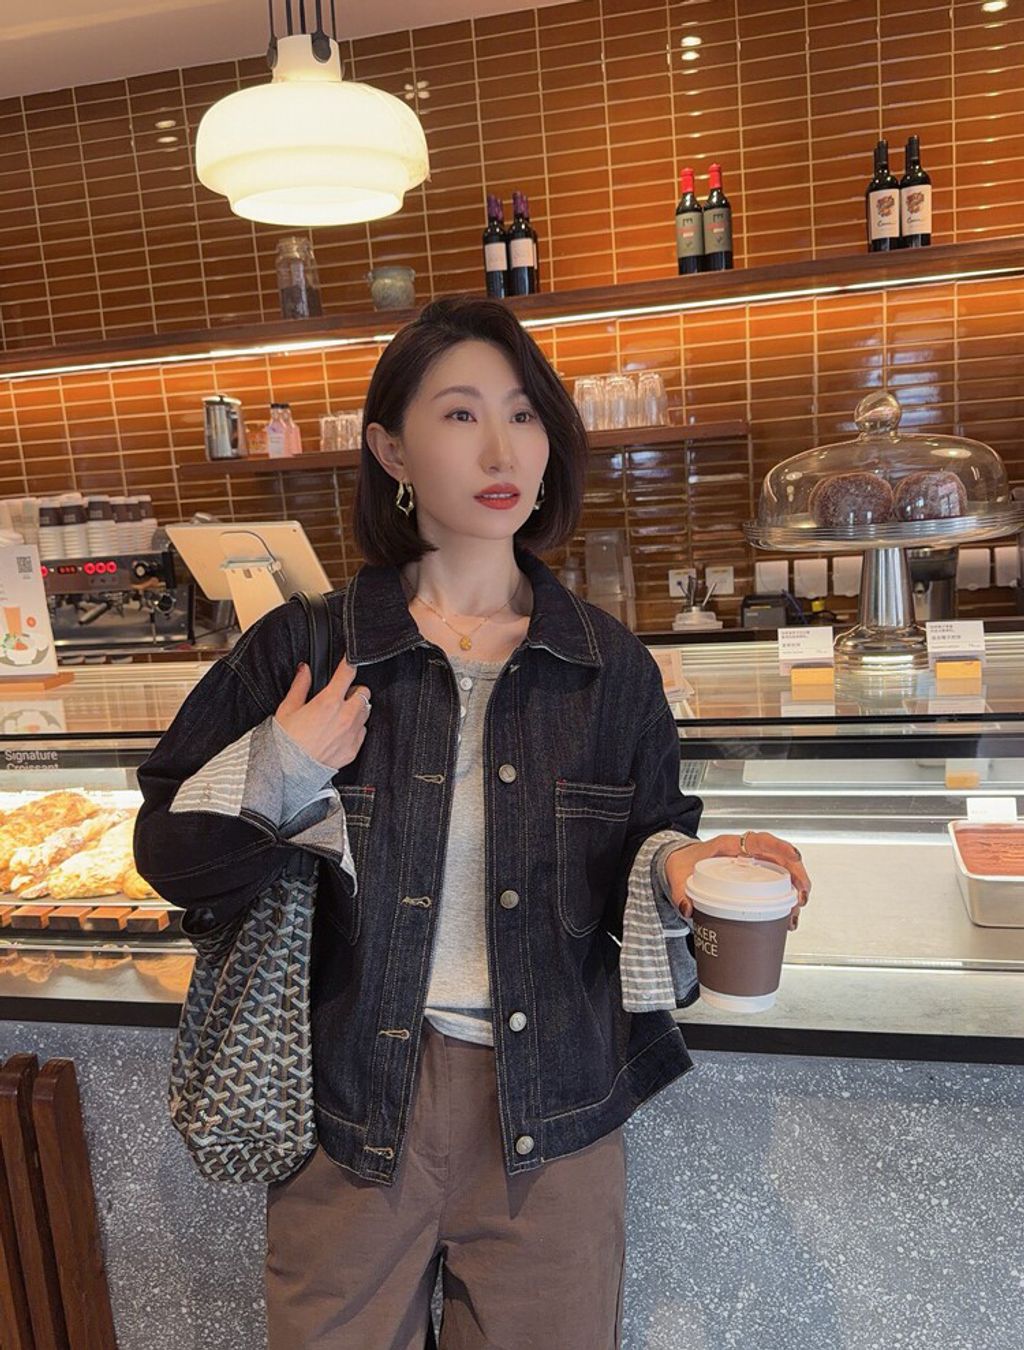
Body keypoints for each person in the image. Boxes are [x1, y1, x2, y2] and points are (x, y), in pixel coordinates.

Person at [134, 295, 809, 1349]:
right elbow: (169, 854)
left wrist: (683, 868)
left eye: (523, 413)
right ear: (390, 449)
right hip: (353, 1114)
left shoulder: (608, 666)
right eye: (459, 415)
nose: (501, 449)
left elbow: (649, 838)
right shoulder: (307, 649)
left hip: (556, 1116)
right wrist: (286, 764)